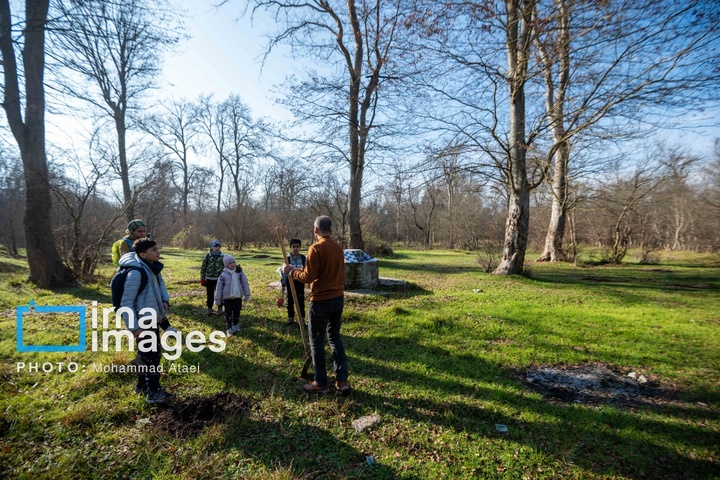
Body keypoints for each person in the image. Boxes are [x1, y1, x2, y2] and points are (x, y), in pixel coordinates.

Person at [282, 216, 349, 394]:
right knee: (335, 337)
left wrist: (291, 271)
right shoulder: (338, 248)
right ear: (331, 230)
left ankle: (321, 382)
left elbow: (308, 277)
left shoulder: (315, 248)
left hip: (321, 301)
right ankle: (342, 381)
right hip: (338, 298)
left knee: (317, 341)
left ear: (316, 230)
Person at [117, 237, 177, 404]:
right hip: (143, 322)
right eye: (153, 250)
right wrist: (134, 328)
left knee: (146, 354)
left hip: (152, 318)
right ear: (143, 254)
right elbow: (126, 302)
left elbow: (160, 286)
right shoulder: (136, 273)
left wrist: (164, 300)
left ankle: (142, 385)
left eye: (157, 248)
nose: (158, 252)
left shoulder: (151, 268)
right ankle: (154, 393)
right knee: (152, 356)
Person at [214, 254, 251, 338]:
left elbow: (245, 283)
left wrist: (247, 294)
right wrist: (217, 299)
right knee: (228, 313)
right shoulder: (223, 275)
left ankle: (235, 324)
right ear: (226, 265)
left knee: (237, 311)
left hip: (237, 297)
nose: (232, 264)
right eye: (230, 263)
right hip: (227, 298)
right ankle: (229, 327)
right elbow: (219, 287)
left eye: (233, 262)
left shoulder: (239, 273)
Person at [280, 238, 306, 325]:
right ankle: (290, 317)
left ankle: (301, 318)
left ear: (300, 248)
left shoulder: (303, 258)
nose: (295, 248)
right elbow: (284, 272)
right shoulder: (287, 259)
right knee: (290, 300)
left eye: (297, 247)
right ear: (290, 247)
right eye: (294, 246)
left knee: (300, 300)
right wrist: (283, 284)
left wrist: (308, 282)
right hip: (290, 282)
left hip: (300, 281)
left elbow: (306, 271)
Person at [200, 239, 225, 316]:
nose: (217, 248)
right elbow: (203, 268)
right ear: (211, 247)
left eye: (218, 246)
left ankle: (220, 307)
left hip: (219, 279)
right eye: (215, 246)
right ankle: (209, 307)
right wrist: (202, 278)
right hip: (209, 279)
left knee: (219, 294)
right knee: (210, 294)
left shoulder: (223, 256)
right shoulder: (208, 256)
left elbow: (225, 268)